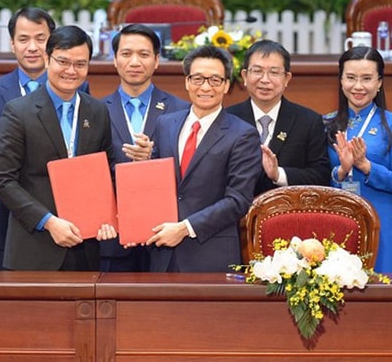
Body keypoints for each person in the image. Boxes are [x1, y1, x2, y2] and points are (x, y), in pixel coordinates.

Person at [0, 25, 128, 271]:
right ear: (47, 59)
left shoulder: (97, 111)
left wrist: (109, 216)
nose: (71, 71)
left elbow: (107, 170)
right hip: (33, 248)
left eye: (80, 64)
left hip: (86, 247)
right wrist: (49, 222)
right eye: (63, 62)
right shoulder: (18, 111)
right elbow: (2, 180)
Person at [0, 7, 89, 269]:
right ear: (12, 43)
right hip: (15, 217)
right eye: (23, 39)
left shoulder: (81, 91)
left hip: (74, 220)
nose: (32, 47)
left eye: (40, 39)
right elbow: (0, 166)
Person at [147, 45, 262, 272]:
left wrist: (184, 228)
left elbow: (237, 200)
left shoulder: (243, 134)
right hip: (161, 254)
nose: (206, 87)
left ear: (227, 85)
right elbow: (155, 185)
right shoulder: (165, 124)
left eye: (215, 80)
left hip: (210, 256)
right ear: (187, 82)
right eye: (198, 78)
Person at [101, 23, 190, 272]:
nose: (134, 62)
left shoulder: (181, 110)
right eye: (126, 54)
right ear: (115, 60)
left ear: (157, 60)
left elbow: (191, 169)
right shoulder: (95, 110)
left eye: (144, 54)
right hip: (113, 235)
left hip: (165, 234)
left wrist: (152, 159)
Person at [324, 46, 392, 273]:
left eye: (367, 78)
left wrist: (366, 166)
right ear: (341, 80)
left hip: (383, 222)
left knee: (385, 299)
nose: (358, 86)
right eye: (351, 78)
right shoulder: (326, 124)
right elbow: (317, 180)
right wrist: (341, 171)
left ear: (380, 82)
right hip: (338, 220)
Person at [227, 40, 330, 196]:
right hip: (237, 215)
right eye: (257, 71)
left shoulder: (308, 121)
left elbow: (321, 176)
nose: (265, 80)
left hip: (289, 215)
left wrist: (278, 174)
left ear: (287, 78)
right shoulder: (228, 119)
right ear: (244, 76)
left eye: (274, 72)